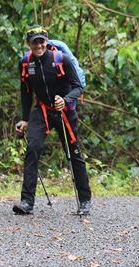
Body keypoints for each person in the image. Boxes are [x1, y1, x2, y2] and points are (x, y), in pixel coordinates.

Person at [13, 25, 92, 216]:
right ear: (28, 44)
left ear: (46, 42)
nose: (39, 45)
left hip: (64, 110)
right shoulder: (26, 63)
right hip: (43, 110)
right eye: (35, 42)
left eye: (41, 41)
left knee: (73, 154)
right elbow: (26, 91)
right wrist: (25, 119)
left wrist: (64, 100)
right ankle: (26, 202)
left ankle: (85, 201)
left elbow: (78, 87)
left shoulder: (61, 59)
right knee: (33, 148)